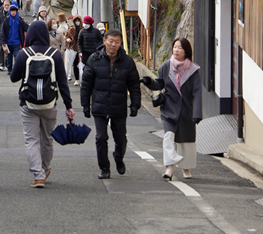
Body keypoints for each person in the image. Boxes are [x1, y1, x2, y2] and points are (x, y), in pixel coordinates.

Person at [10, 21, 74, 187]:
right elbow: (62, 82)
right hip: (50, 103)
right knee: (47, 139)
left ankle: (38, 175)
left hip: (28, 103)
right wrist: (69, 106)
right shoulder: (55, 54)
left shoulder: (24, 53)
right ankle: (45, 169)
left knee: (31, 140)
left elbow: (13, 77)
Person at [81, 30, 141, 179]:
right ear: (104, 40)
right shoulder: (94, 59)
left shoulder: (127, 61)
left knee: (120, 139)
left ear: (120, 43)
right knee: (101, 137)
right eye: (111, 41)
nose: (113, 44)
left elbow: (134, 85)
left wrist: (135, 104)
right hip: (100, 105)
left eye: (117, 42)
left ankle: (118, 157)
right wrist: (85, 105)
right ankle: (104, 167)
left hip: (119, 105)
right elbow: (86, 84)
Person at [148, 38, 201, 181]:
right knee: (168, 136)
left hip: (186, 110)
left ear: (186, 51)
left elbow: (197, 93)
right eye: (175, 47)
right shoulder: (166, 66)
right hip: (169, 108)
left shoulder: (193, 70)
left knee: (186, 141)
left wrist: (197, 112)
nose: (176, 50)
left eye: (180, 48)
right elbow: (159, 83)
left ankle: (186, 167)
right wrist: (149, 83)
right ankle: (169, 167)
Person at [2, 5, 28, 73]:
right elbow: (3, 31)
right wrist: (3, 42)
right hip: (8, 42)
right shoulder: (6, 20)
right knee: (9, 57)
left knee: (17, 57)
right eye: (12, 11)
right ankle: (9, 69)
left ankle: (16, 69)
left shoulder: (19, 20)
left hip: (17, 41)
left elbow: (27, 28)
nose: (13, 12)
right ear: (10, 11)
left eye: (14, 11)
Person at [63, 17, 79, 86]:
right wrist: (68, 39)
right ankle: (77, 79)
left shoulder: (83, 29)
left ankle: (82, 80)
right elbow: (66, 36)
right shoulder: (71, 29)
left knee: (82, 65)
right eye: (76, 21)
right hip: (73, 48)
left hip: (82, 49)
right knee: (74, 64)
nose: (77, 22)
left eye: (78, 20)